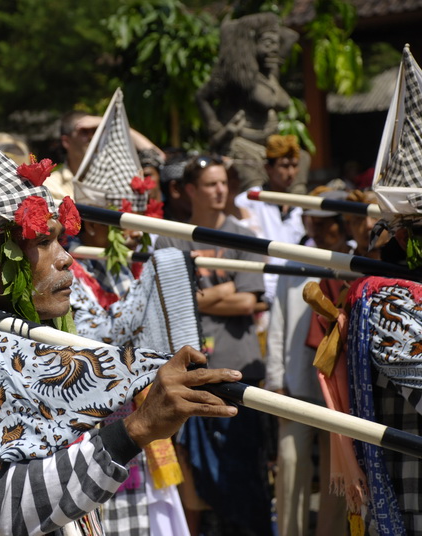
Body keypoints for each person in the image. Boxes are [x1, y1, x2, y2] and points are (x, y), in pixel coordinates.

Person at [0, 50, 241, 536]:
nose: (67, 258)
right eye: (43, 243)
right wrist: (135, 430)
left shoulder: (26, 337)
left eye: (61, 240)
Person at [68, 88, 192, 536]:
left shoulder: (129, 263)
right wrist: (151, 276)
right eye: (127, 225)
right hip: (98, 425)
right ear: (96, 223)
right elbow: (98, 335)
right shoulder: (70, 271)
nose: (138, 236)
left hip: (145, 410)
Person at [156, 155, 271, 536]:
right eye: (210, 184)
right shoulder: (171, 237)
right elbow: (167, 300)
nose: (220, 190)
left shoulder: (244, 235)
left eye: (224, 182)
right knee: (200, 478)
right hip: (192, 374)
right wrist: (228, 289)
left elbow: (250, 300)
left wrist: (196, 295)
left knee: (246, 471)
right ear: (190, 190)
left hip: (243, 369)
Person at [266, 190, 350, 536]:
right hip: (297, 383)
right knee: (290, 465)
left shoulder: (354, 259)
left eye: (328, 221)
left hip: (339, 387)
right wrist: (275, 381)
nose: (321, 227)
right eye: (315, 219)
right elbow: (278, 321)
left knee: (338, 477)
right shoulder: (293, 261)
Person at [196, 12, 308, 193]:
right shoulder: (234, 75)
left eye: (276, 44)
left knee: (299, 162)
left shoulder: (270, 71)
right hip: (243, 146)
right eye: (268, 44)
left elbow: (291, 36)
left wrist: (265, 23)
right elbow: (202, 96)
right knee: (255, 189)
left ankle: (296, 215)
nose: (275, 49)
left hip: (271, 143)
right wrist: (216, 128)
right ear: (251, 45)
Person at [234, 134, 306, 304]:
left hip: (295, 289)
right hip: (261, 290)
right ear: (268, 168)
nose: (290, 172)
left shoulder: (299, 206)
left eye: (294, 166)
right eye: (284, 166)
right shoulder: (248, 200)